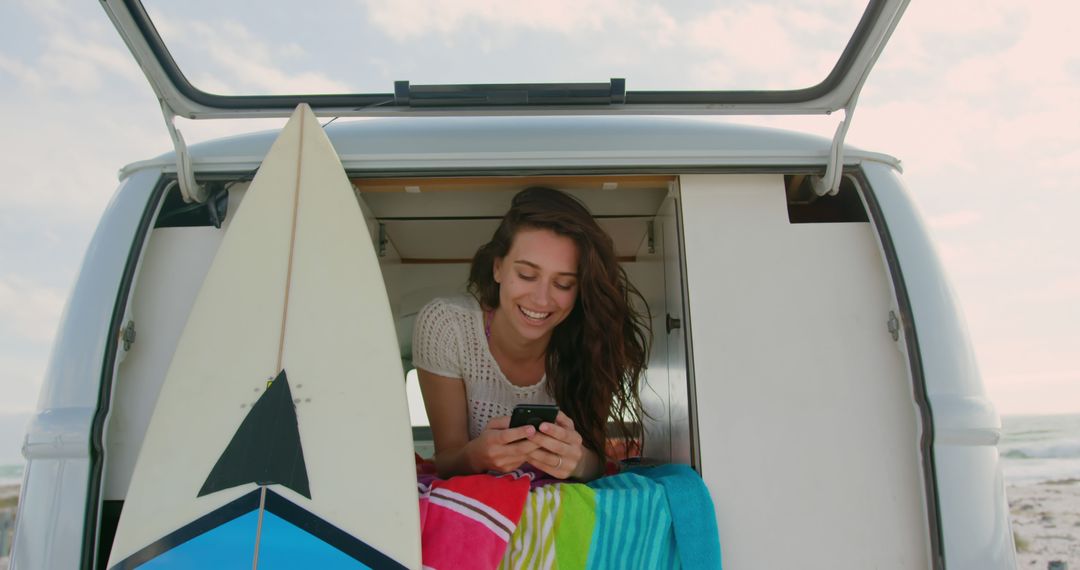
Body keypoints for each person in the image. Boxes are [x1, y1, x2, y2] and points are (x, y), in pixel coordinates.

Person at [412, 187, 651, 481]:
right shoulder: (446, 326)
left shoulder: (592, 339)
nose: (541, 299)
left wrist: (576, 462)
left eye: (563, 284)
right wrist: (477, 455)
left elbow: (595, 464)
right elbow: (447, 459)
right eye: (527, 275)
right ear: (498, 268)